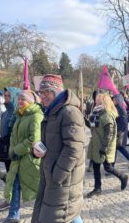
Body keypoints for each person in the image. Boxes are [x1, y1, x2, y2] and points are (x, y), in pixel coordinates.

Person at [31, 74, 85, 223]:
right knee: (67, 212)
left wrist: (57, 175)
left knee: (59, 214)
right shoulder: (52, 111)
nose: (42, 96)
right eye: (41, 93)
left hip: (63, 178)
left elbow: (74, 148)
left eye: (46, 92)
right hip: (52, 174)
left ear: (56, 91)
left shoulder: (69, 112)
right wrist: (36, 151)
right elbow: (50, 143)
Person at [3, 90, 43, 223]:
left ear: (31, 101)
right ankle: (13, 215)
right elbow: (13, 136)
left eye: (23, 99)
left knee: (35, 186)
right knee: (14, 185)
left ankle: (43, 212)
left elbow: (35, 139)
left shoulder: (36, 115)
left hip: (30, 159)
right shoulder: (19, 115)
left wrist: (17, 150)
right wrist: (11, 150)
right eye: (19, 99)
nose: (20, 101)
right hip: (17, 158)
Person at [87, 93, 128, 198]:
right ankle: (97, 188)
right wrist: (84, 120)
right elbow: (93, 126)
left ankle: (123, 177)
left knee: (108, 167)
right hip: (97, 144)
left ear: (103, 101)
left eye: (98, 99)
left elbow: (109, 133)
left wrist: (104, 148)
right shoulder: (97, 113)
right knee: (96, 166)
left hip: (103, 145)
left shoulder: (106, 115)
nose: (95, 100)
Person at [0, 87, 21, 211]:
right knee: (11, 176)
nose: (5, 98)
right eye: (5, 96)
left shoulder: (19, 113)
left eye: (8, 96)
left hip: (16, 151)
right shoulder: (5, 113)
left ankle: (12, 201)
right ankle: (10, 199)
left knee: (16, 177)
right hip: (6, 150)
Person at [113, 94, 129, 168]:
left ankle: (111, 166)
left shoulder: (121, 109)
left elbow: (124, 122)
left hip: (119, 132)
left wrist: (118, 131)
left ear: (118, 100)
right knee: (119, 147)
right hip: (115, 131)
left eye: (114, 100)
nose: (113, 101)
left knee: (115, 148)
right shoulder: (115, 108)